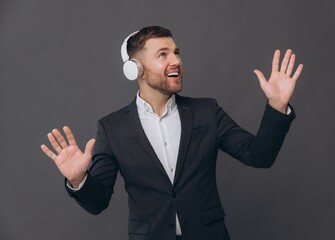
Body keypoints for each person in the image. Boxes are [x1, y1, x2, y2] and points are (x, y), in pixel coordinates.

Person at [41, 26, 303, 240]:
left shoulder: (206, 112)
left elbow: (259, 155)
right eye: (163, 54)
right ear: (135, 68)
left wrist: (277, 106)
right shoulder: (112, 128)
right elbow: (97, 203)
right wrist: (78, 180)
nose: (176, 60)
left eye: (176, 52)